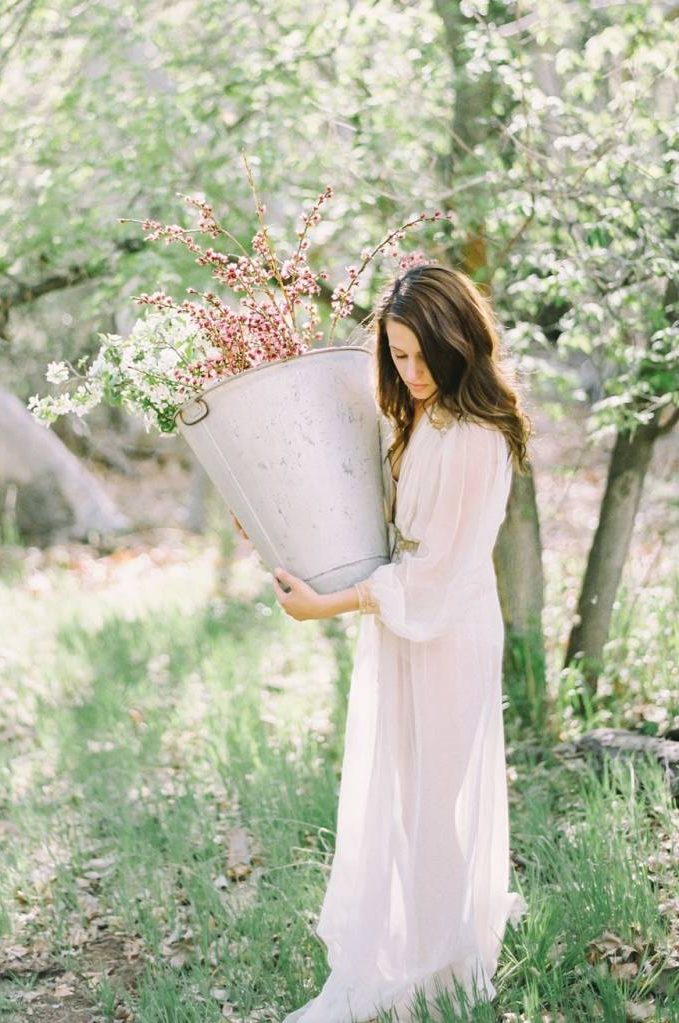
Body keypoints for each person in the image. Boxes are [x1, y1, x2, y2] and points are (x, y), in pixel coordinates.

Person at [259, 263, 531, 1022]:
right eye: (398, 355)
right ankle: (425, 938)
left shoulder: (477, 437)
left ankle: (440, 969)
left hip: (447, 622)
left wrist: (330, 607)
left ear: (458, 344)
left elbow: (438, 572)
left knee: (433, 796)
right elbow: (379, 515)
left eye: (421, 356)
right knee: (408, 796)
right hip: (404, 614)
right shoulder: (421, 417)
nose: (410, 372)